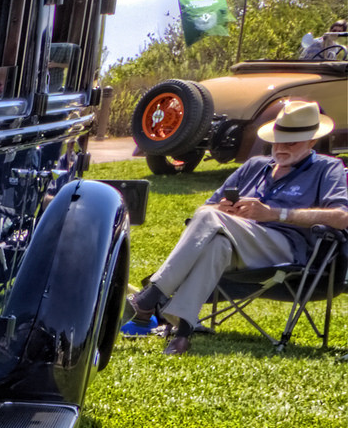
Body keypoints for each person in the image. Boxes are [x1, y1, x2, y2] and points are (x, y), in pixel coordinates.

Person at [123, 100, 348, 355]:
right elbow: (206, 208)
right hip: (239, 242)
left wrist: (275, 214)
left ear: (311, 141)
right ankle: (183, 333)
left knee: (210, 219)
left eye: (291, 142)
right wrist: (226, 211)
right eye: (278, 140)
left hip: (286, 248)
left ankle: (148, 298)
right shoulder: (255, 166)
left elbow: (341, 217)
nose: (281, 148)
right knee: (217, 242)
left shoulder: (328, 168)